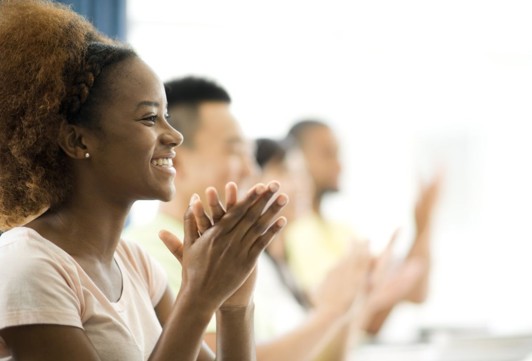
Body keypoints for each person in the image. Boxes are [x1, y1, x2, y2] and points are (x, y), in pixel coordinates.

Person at [0, 1, 287, 360]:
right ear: (77, 141)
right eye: (150, 118)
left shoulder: (135, 264)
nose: (174, 136)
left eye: (167, 116)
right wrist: (198, 297)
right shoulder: (26, 265)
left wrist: (233, 304)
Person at [126, 77, 370, 361]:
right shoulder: (149, 252)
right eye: (234, 151)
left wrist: (350, 303)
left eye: (250, 154)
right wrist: (329, 313)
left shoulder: (239, 256)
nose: (250, 169)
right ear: (176, 161)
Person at [283, 119, 442, 335]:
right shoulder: (294, 231)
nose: (339, 165)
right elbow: (350, 320)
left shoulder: (340, 231)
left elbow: (416, 292)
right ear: (297, 159)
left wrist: (424, 223)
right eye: (328, 154)